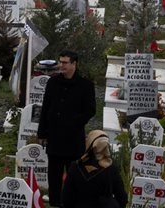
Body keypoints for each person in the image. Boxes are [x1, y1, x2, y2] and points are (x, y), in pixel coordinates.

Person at [38, 50, 96, 208]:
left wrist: (74, 122)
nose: (61, 65)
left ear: (74, 64)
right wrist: (42, 133)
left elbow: (90, 110)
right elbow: (46, 108)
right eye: (60, 62)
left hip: (73, 138)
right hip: (55, 137)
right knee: (54, 174)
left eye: (64, 62)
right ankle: (55, 202)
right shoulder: (53, 82)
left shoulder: (85, 85)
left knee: (73, 175)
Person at [62, 130, 128, 208]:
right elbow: (122, 198)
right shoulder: (111, 168)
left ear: (89, 143)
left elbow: (66, 198)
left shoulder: (75, 167)